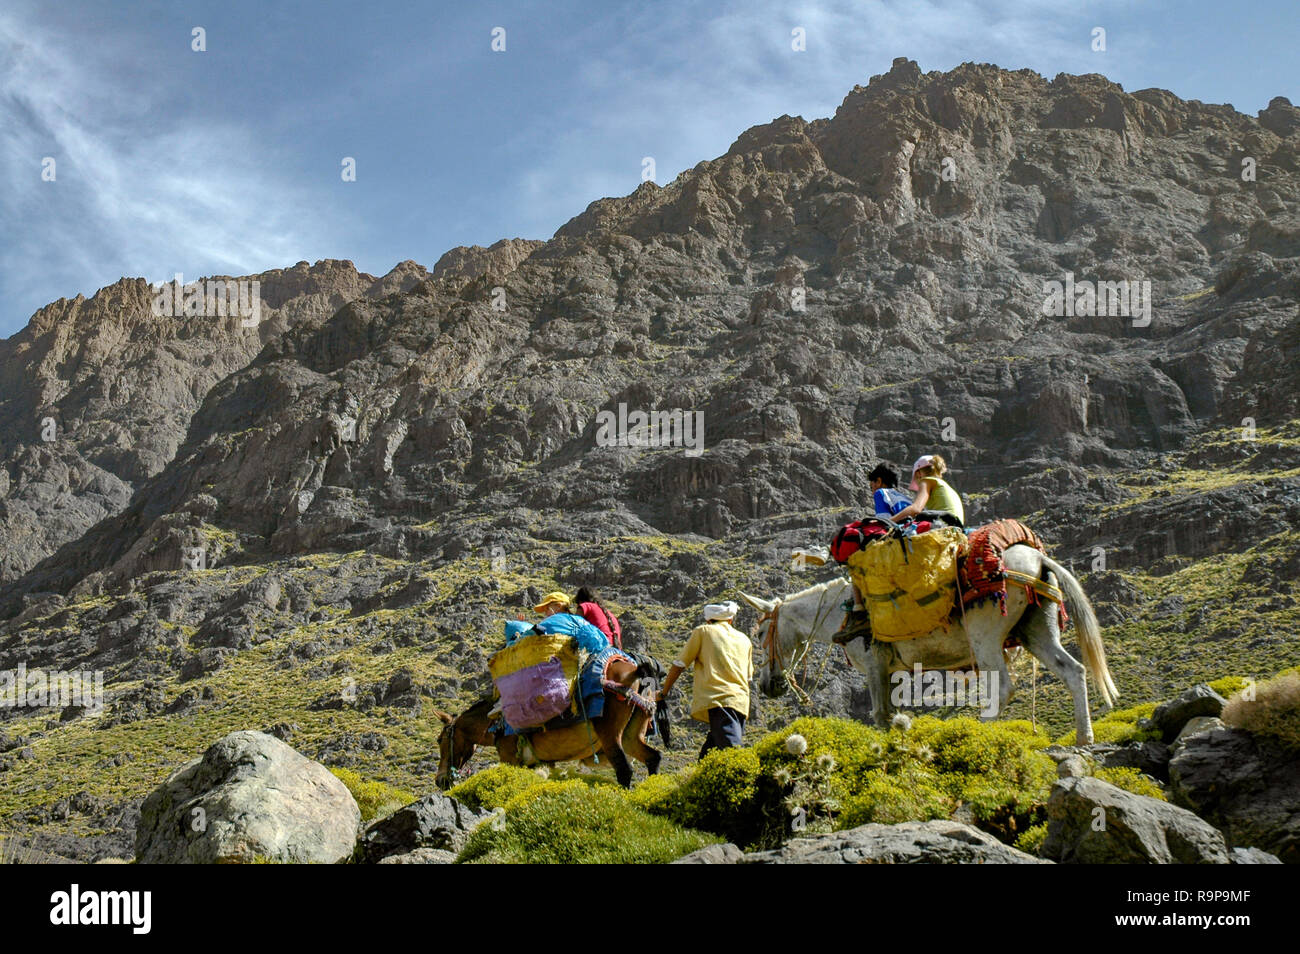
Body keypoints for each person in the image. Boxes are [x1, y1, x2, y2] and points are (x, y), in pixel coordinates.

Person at [656, 601, 753, 759]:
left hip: (719, 700)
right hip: (740, 703)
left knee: (733, 754)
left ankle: (759, 781)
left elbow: (680, 664)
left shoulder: (703, 631)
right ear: (730, 620)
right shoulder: (744, 640)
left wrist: (663, 692)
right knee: (708, 759)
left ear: (709, 620)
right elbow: (748, 677)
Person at [893, 453, 965, 526]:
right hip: (957, 526)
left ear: (918, 474)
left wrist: (890, 521)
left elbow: (916, 509)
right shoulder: (943, 485)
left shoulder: (926, 481)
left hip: (945, 524)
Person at [574, 586, 623, 650]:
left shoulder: (586, 605)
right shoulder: (609, 614)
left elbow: (575, 625)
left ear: (580, 600)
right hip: (616, 650)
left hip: (600, 647)